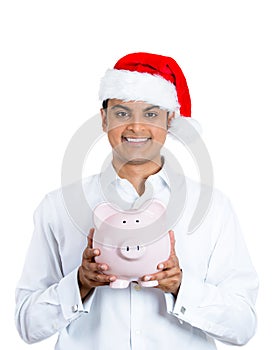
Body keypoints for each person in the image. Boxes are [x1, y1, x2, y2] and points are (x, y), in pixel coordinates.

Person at [15, 52, 259, 349]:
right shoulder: (58, 206)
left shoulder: (211, 208)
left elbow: (243, 325)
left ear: (170, 120)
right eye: (121, 113)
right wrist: (80, 283)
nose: (136, 127)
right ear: (103, 119)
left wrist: (181, 287)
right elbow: (27, 324)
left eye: (151, 114)